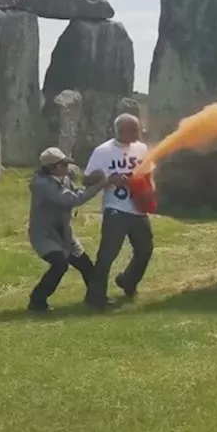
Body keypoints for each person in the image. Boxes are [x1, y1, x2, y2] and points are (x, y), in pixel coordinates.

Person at [84, 113, 154, 311]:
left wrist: (151, 193)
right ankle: (95, 297)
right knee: (107, 254)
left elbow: (149, 173)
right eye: (134, 130)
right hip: (116, 208)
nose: (138, 133)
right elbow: (86, 179)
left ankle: (128, 281)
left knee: (145, 249)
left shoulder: (141, 148)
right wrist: (108, 179)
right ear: (121, 130)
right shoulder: (103, 151)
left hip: (138, 208)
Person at [27, 147, 107, 313]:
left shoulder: (62, 179)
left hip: (64, 234)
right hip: (45, 235)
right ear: (54, 167)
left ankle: (96, 298)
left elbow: (76, 191)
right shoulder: (43, 185)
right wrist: (101, 184)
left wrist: (90, 182)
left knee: (85, 264)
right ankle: (37, 300)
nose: (67, 167)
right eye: (64, 164)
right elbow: (72, 199)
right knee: (59, 264)